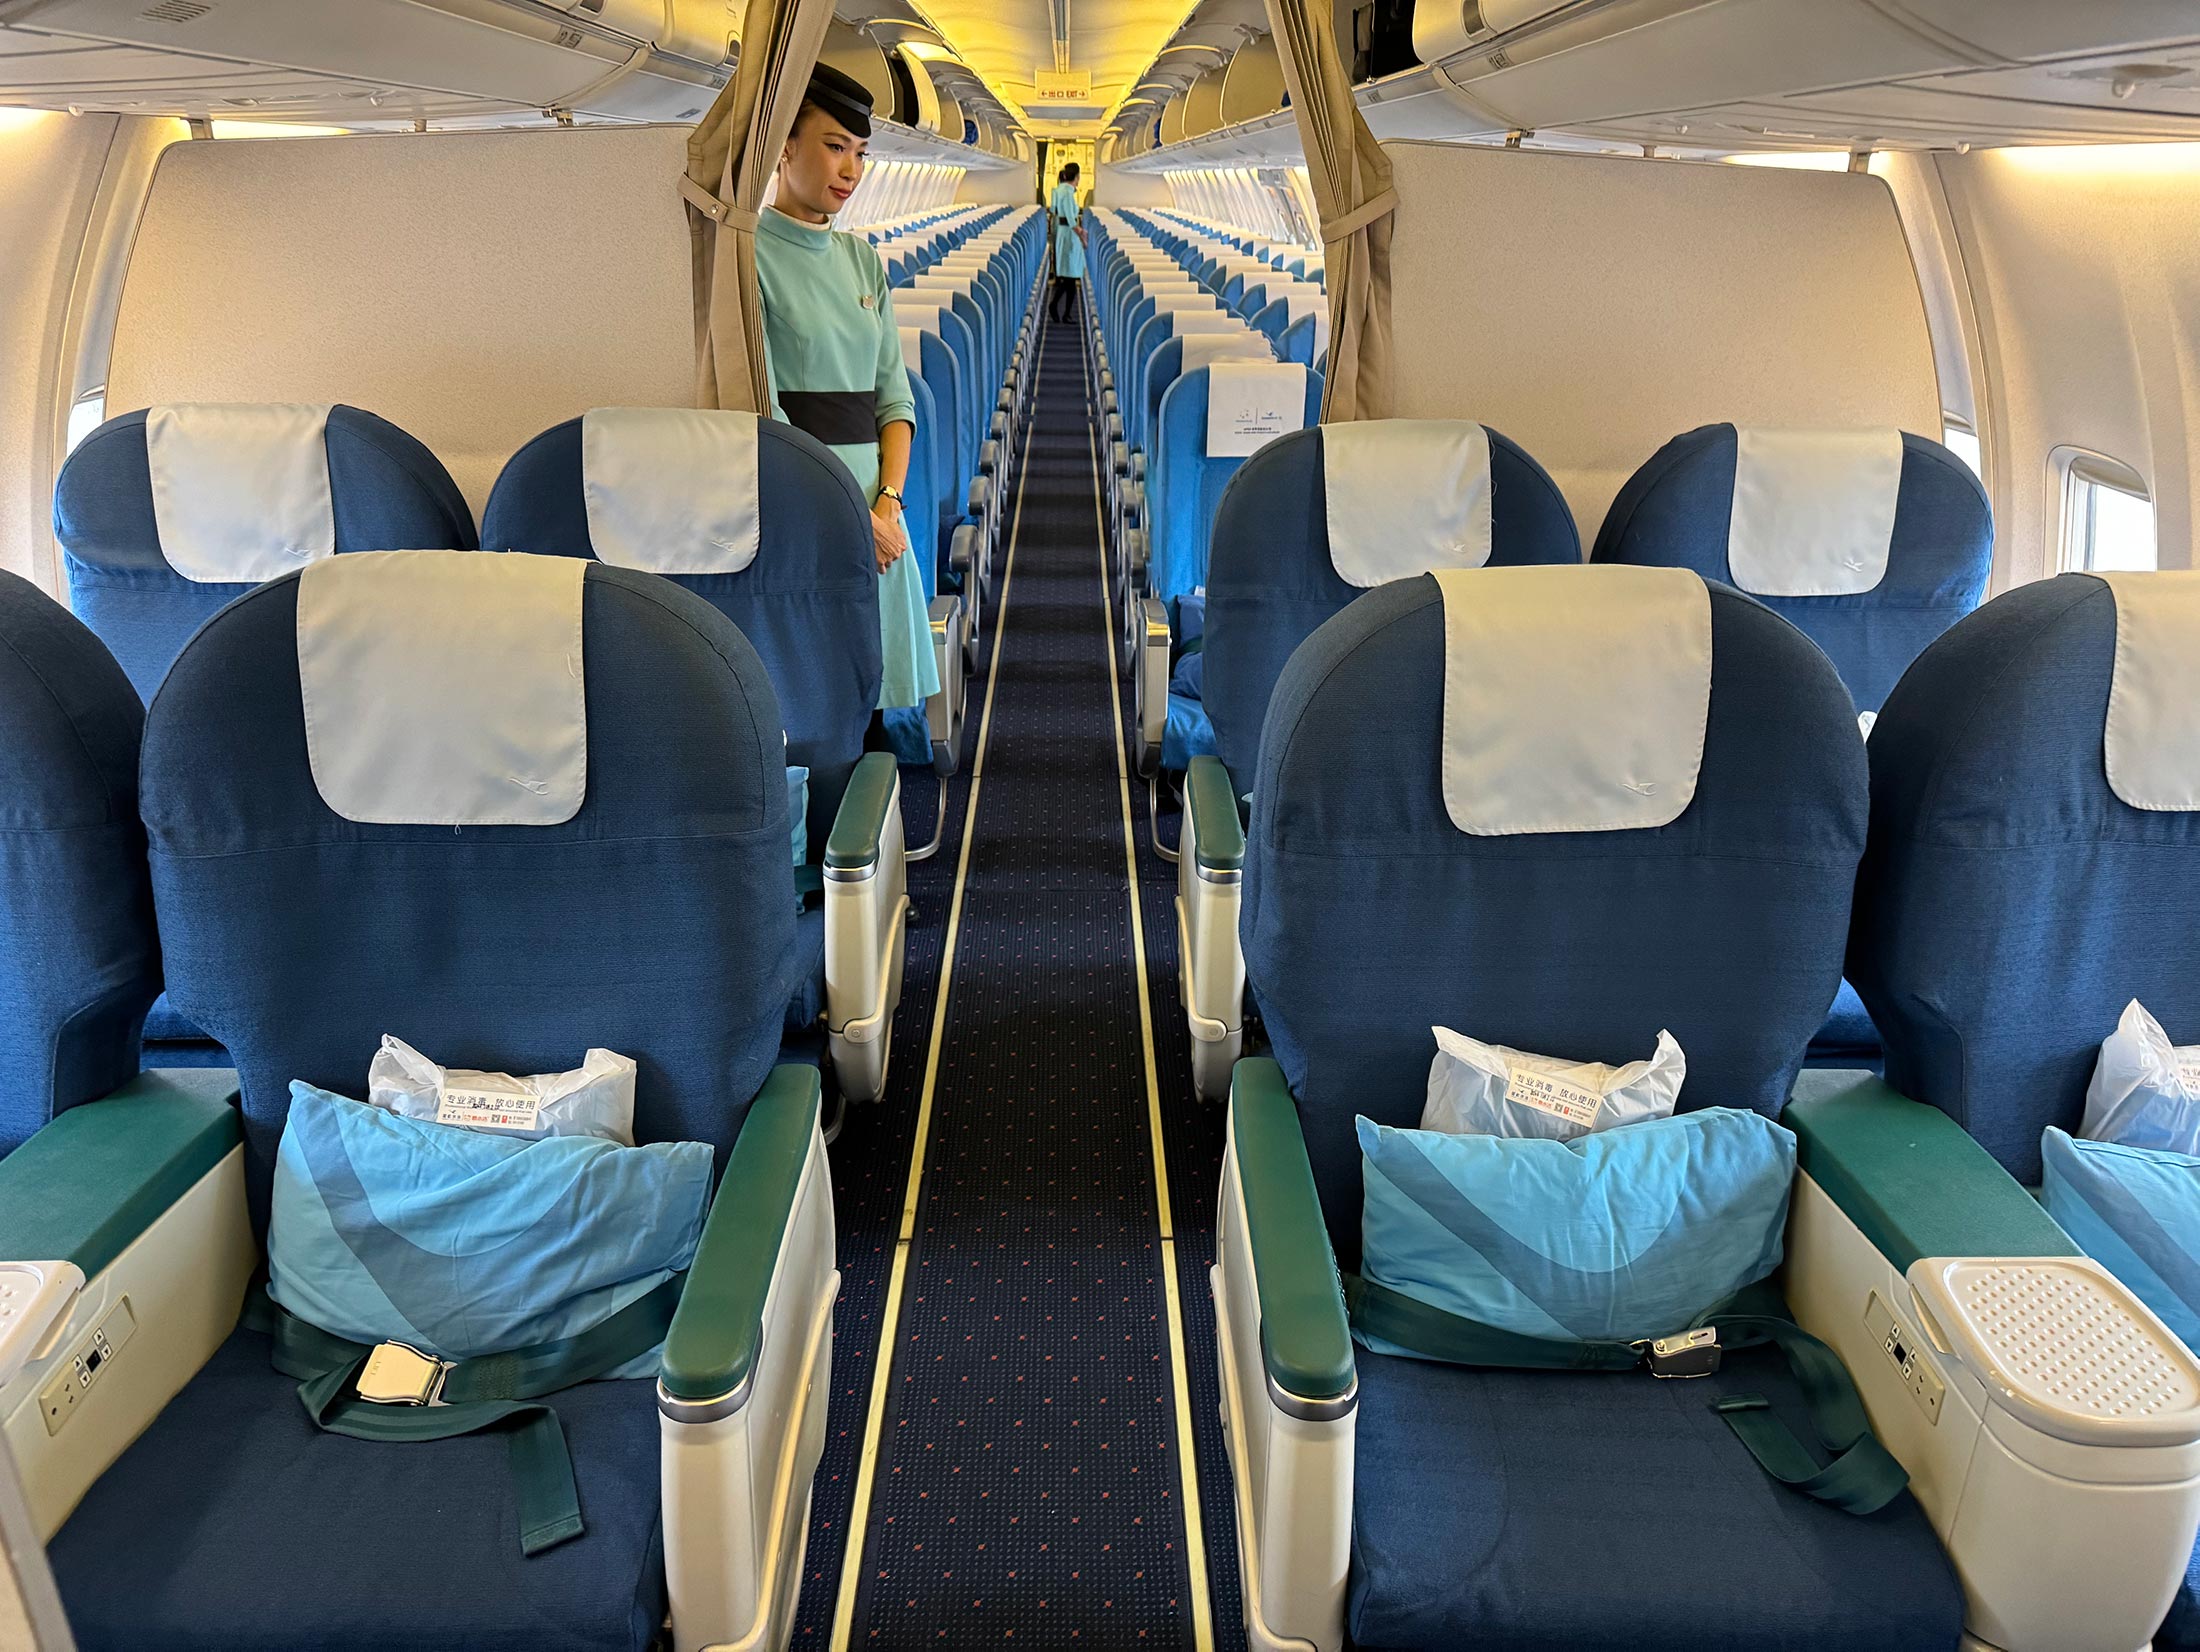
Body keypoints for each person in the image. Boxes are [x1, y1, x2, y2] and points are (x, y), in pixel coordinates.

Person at [756, 61, 939, 727]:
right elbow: (766, 413)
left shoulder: (863, 260)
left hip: (876, 506)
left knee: (868, 702)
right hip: (805, 500)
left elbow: (894, 398)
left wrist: (887, 502)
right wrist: (849, 518)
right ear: (784, 146)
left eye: (860, 153)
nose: (851, 171)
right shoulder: (745, 258)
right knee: (818, 705)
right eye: (835, 147)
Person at [1048, 162, 1086, 324]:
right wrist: (1082, 236)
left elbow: (1053, 211)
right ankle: (1060, 309)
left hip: (1062, 233)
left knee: (1067, 277)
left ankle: (1061, 310)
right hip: (1070, 235)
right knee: (1071, 276)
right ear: (1076, 177)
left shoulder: (1058, 190)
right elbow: (1072, 220)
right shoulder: (1069, 195)